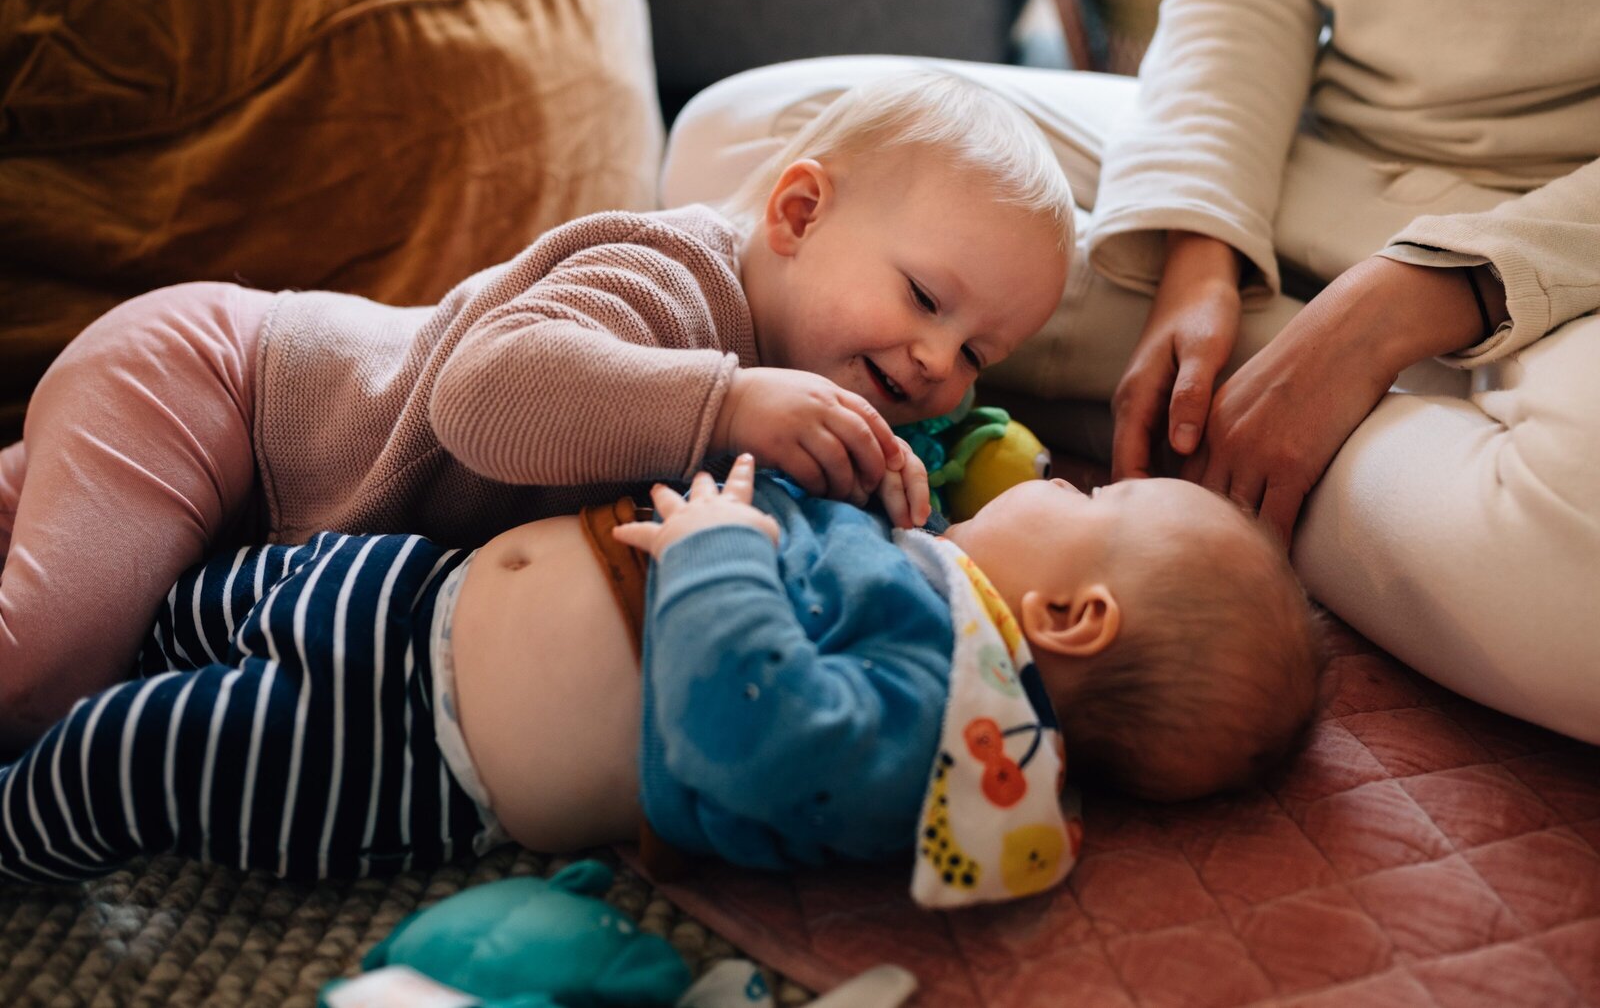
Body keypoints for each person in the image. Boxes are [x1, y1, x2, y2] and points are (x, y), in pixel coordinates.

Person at [654, 0, 1600, 744]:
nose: (939, 369)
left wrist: (1406, 307)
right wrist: (1200, 251)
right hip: (1310, 168)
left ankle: (1276, 396)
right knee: (736, 139)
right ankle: (1333, 413)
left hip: (1564, 237)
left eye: (974, 354)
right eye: (940, 319)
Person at [0, 71, 1074, 748]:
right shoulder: (668, 276)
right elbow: (484, 395)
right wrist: (726, 399)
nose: (937, 361)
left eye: (978, 351)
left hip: (263, 492)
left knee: (57, 557)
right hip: (219, 387)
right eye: (925, 298)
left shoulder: (799, 386)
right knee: (42, 673)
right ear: (796, 212)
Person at [0, 455, 1323, 885]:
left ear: (1072, 611)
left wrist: (722, 553)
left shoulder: (941, 722)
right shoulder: (922, 578)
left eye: (1085, 487)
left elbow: (753, 728)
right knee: (150, 612)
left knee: (134, 751)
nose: (1049, 473)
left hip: (395, 752)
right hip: (406, 596)